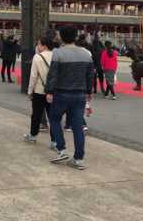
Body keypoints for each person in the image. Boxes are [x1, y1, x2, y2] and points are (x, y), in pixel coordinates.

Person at [46, 26, 94, 170]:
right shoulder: (86, 54)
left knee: (54, 119)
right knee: (77, 126)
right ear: (75, 36)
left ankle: (61, 149)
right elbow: (90, 75)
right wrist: (89, 91)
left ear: (61, 36)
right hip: (79, 94)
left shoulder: (58, 53)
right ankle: (78, 158)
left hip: (61, 93)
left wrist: (49, 91)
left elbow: (52, 75)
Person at [23, 37, 55, 146]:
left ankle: (33, 135)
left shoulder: (37, 57)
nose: (37, 46)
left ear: (44, 45)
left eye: (39, 44)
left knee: (36, 114)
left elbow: (33, 76)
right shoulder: (56, 56)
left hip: (39, 90)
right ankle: (54, 141)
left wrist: (29, 91)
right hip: (53, 91)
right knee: (53, 117)